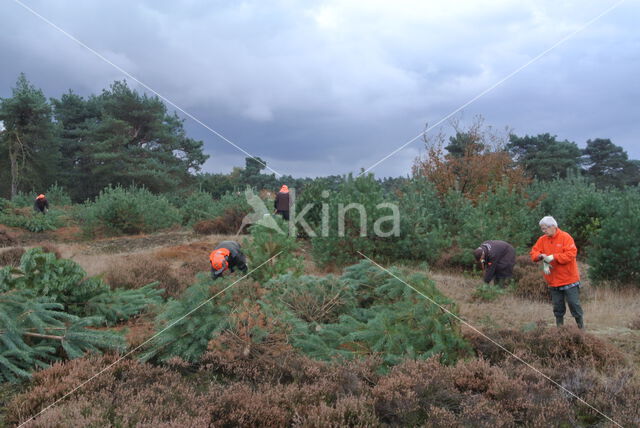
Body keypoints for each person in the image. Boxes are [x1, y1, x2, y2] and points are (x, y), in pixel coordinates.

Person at [530, 216, 584, 329]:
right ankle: (560, 331)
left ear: (553, 227)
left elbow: (571, 254)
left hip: (569, 279)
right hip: (553, 280)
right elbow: (533, 253)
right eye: (542, 229)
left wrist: (553, 257)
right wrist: (540, 256)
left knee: (574, 305)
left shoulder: (566, 237)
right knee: (558, 307)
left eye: (544, 228)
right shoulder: (542, 239)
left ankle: (581, 329)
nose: (543, 231)